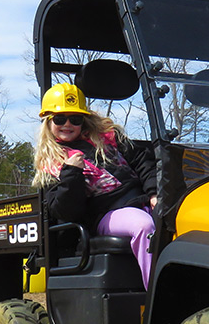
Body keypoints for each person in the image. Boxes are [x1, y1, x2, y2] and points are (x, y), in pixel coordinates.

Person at [33, 82, 157, 289]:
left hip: (142, 200)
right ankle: (158, 299)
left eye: (75, 119)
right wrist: (72, 173)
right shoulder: (51, 164)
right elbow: (65, 210)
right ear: (48, 122)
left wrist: (154, 193)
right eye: (60, 118)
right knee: (143, 226)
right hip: (106, 214)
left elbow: (144, 162)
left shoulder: (108, 139)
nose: (67, 124)